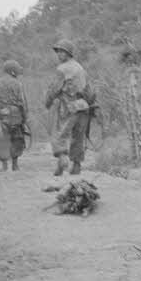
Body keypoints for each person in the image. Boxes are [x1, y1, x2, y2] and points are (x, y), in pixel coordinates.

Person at [44, 39, 94, 178]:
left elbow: (55, 88)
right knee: (78, 137)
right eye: (58, 51)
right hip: (83, 106)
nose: (59, 54)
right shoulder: (80, 68)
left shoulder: (62, 69)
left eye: (62, 51)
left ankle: (62, 159)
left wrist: (47, 102)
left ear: (68, 53)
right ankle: (76, 165)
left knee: (60, 134)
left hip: (69, 106)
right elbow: (89, 90)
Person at [0, 60, 30, 172]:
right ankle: (15, 165)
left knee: (3, 139)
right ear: (13, 71)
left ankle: (4, 166)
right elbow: (22, 102)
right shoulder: (18, 84)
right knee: (17, 138)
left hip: (2, 115)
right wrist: (25, 117)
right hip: (16, 115)